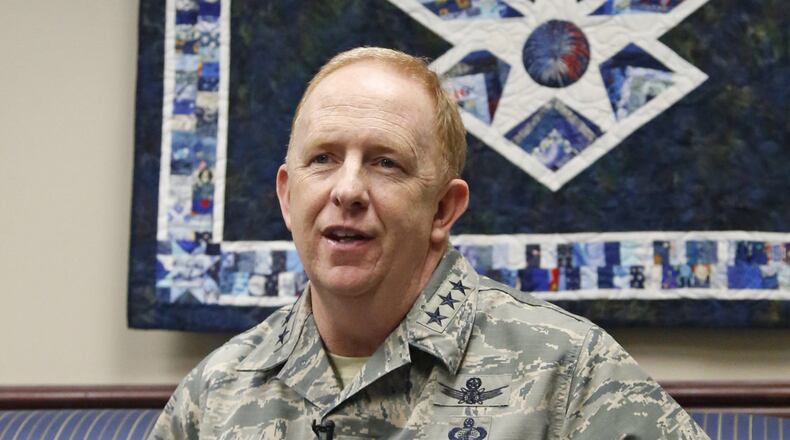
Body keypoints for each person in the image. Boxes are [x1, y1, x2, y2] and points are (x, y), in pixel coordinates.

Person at [150, 47, 709, 440]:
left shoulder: (568, 371)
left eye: (384, 162)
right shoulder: (217, 394)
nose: (347, 189)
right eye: (323, 159)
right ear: (287, 195)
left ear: (443, 209)